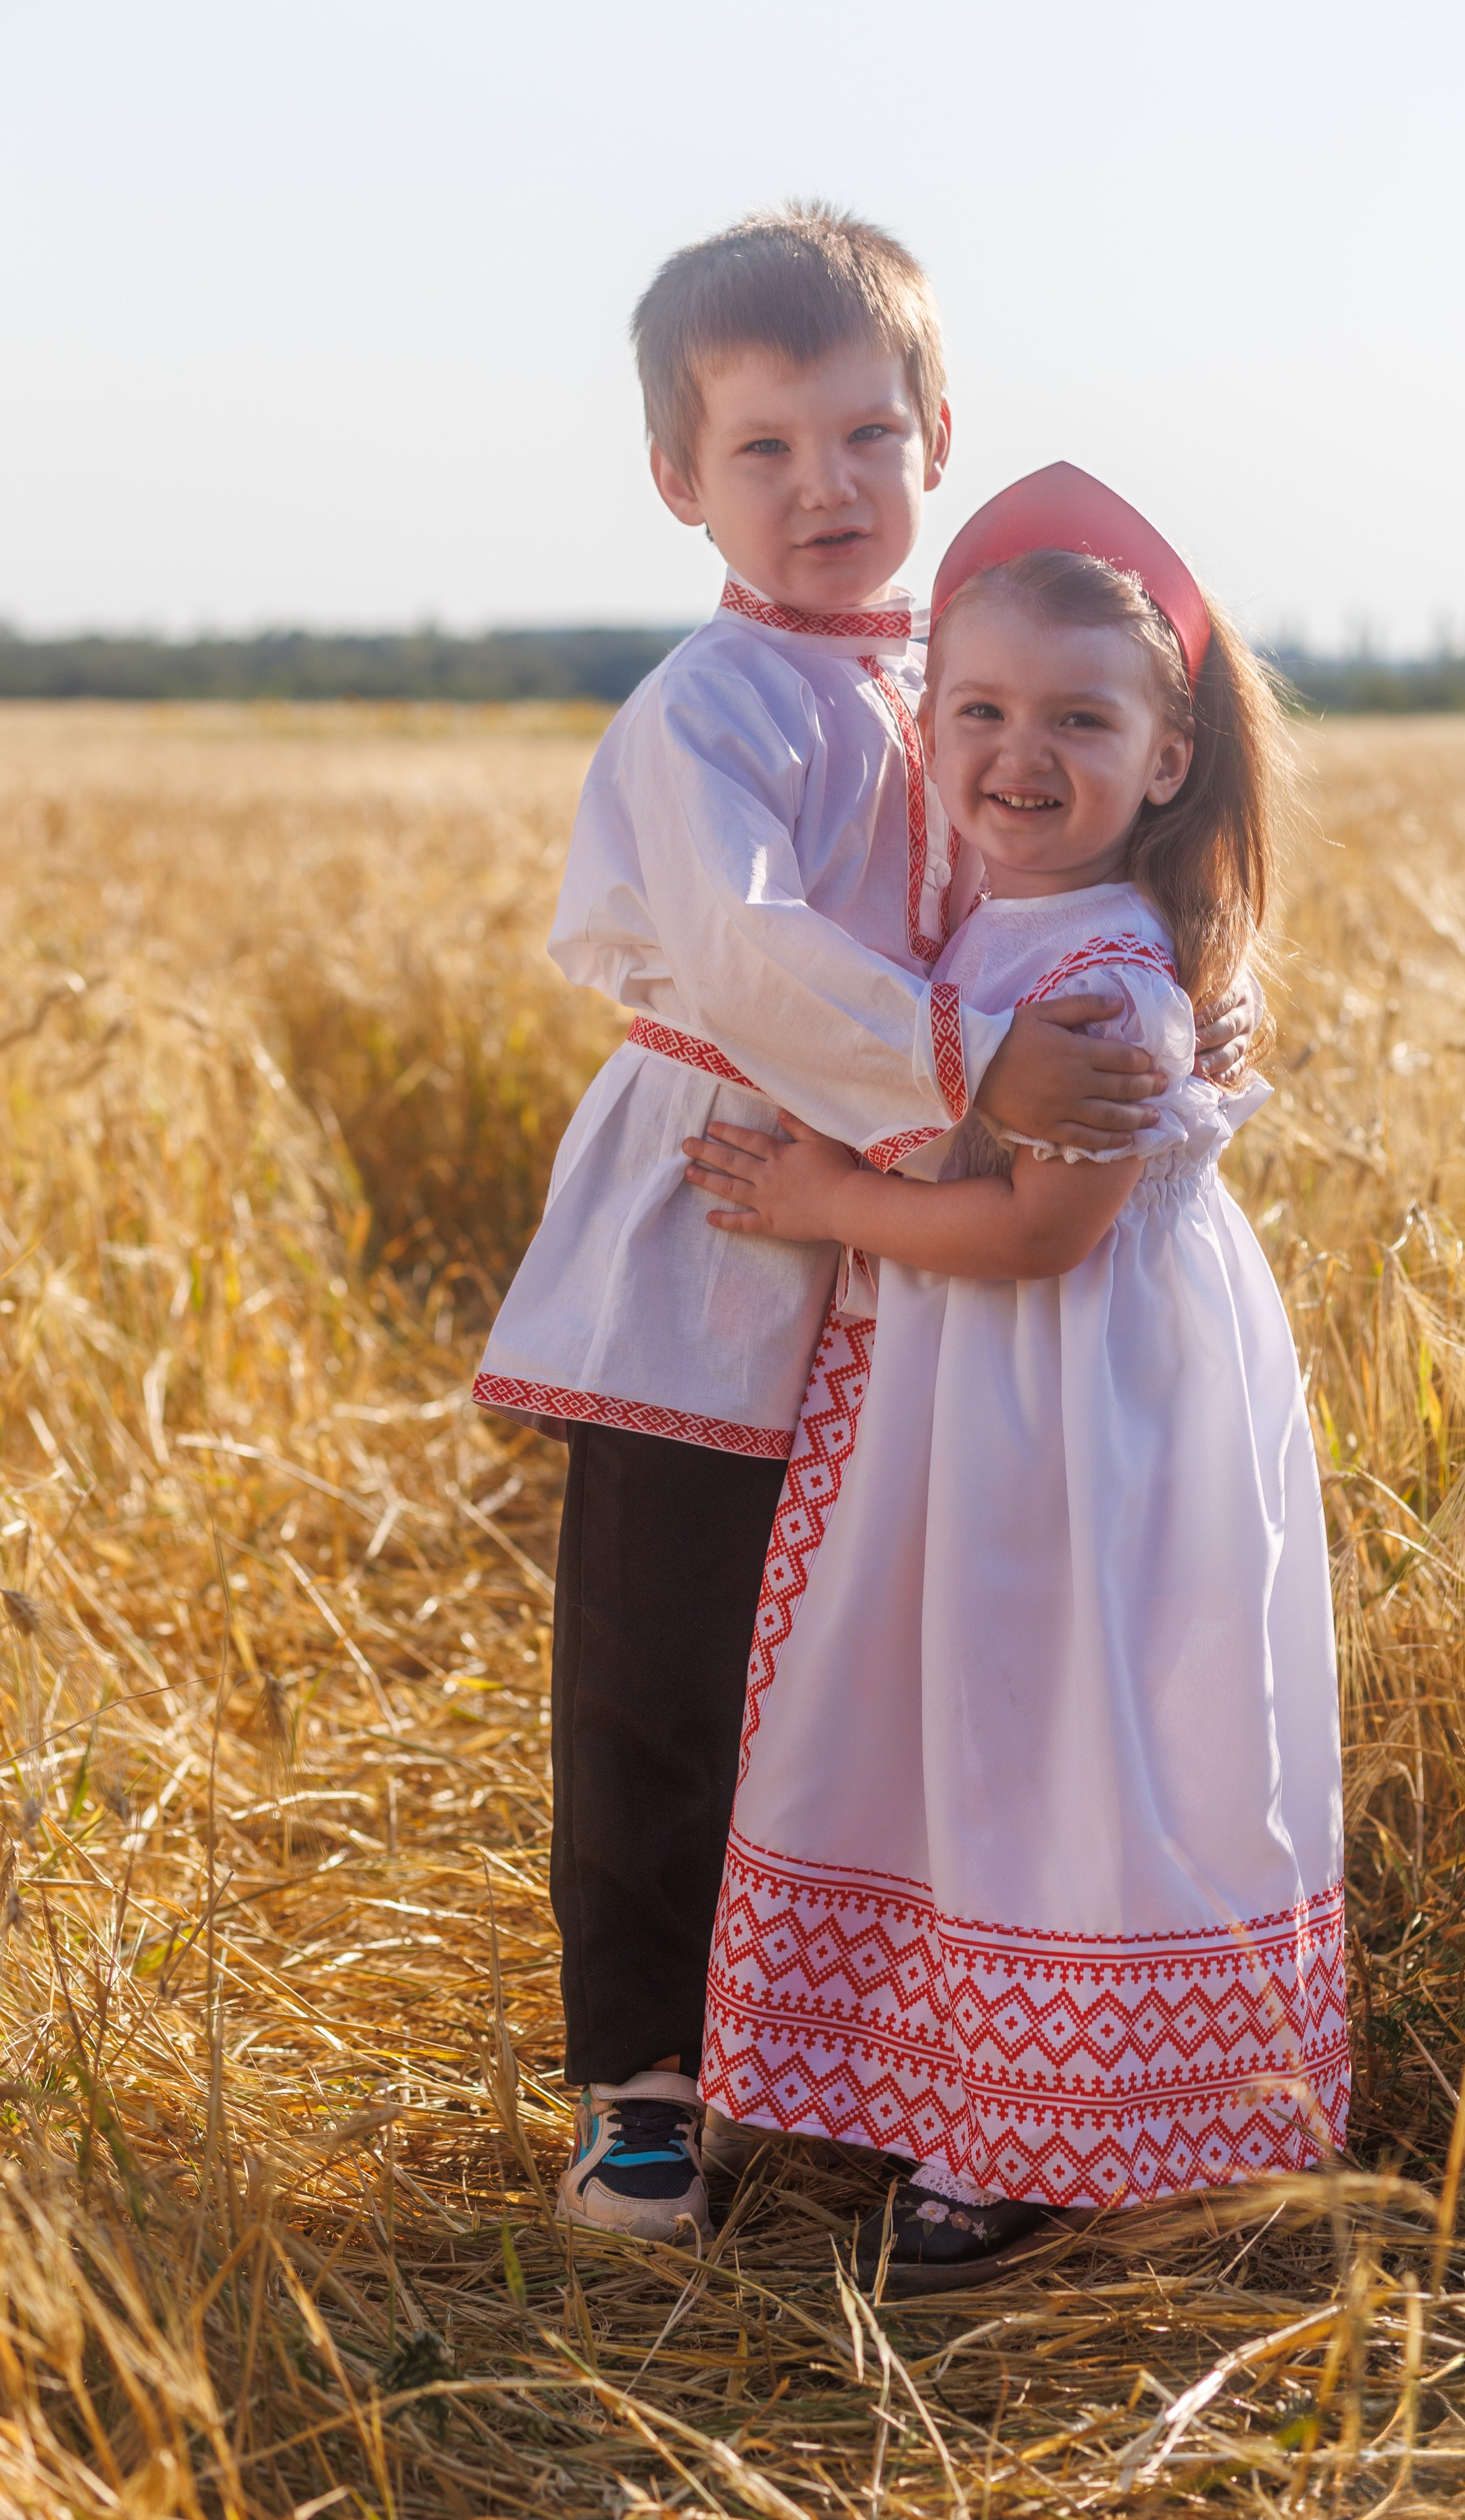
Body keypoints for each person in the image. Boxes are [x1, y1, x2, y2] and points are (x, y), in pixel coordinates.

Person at [472, 209, 1264, 2242]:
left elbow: (1061, 862)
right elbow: (743, 957)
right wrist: (979, 1075)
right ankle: (642, 2088)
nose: (822, 487)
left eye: (860, 438)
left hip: (886, 1268)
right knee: (656, 1666)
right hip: (718, 1222)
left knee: (820, 1666)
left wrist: (1176, 999)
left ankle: (830, 2044)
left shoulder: (954, 680)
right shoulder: (713, 704)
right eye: (763, 451)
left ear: (933, 438)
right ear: (680, 482)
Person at [687, 465, 1346, 2292]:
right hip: (968, 1408)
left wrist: (825, 1195)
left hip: (1071, 1423)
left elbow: (1048, 1239)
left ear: (1166, 762)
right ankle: (930, 2071)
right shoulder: (978, 939)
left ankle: (1025, 2129)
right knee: (938, 1710)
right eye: (976, 711)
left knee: (1046, 1725)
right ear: (926, 728)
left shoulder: (1111, 991)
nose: (1017, 753)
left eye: (1078, 719)